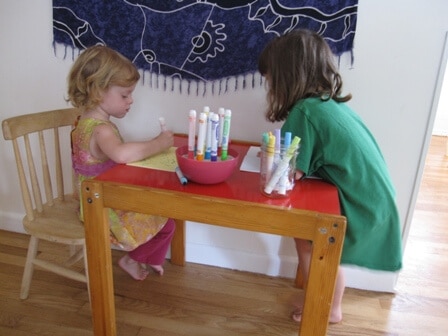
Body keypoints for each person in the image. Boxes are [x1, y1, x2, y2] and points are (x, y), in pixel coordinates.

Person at [258, 29, 403, 323]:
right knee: (310, 239)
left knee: (315, 242)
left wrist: (269, 162)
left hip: (358, 203)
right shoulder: (326, 104)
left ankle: (326, 307)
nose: (268, 84)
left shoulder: (306, 112)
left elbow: (288, 174)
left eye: (270, 77)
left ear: (286, 76)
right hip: (372, 198)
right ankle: (323, 297)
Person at [68, 45, 175, 281]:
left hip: (93, 200)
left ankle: (146, 259)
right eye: (124, 95)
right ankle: (134, 259)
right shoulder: (101, 129)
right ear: (97, 91)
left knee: (161, 213)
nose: (131, 101)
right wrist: (158, 143)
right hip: (102, 207)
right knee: (167, 222)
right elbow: (121, 155)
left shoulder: (84, 121)